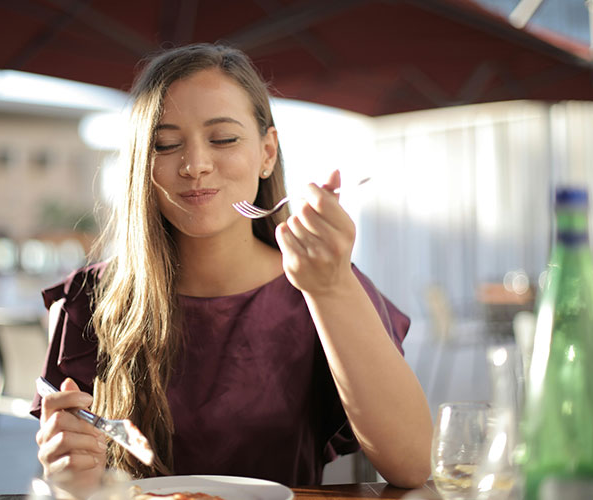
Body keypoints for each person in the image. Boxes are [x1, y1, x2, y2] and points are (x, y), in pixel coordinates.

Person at [31, 42, 432, 499]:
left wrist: (332, 288)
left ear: (267, 152)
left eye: (223, 139)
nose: (195, 165)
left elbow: (413, 463)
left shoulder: (322, 284)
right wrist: (70, 474)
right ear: (143, 164)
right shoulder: (89, 300)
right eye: (165, 144)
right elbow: (76, 481)